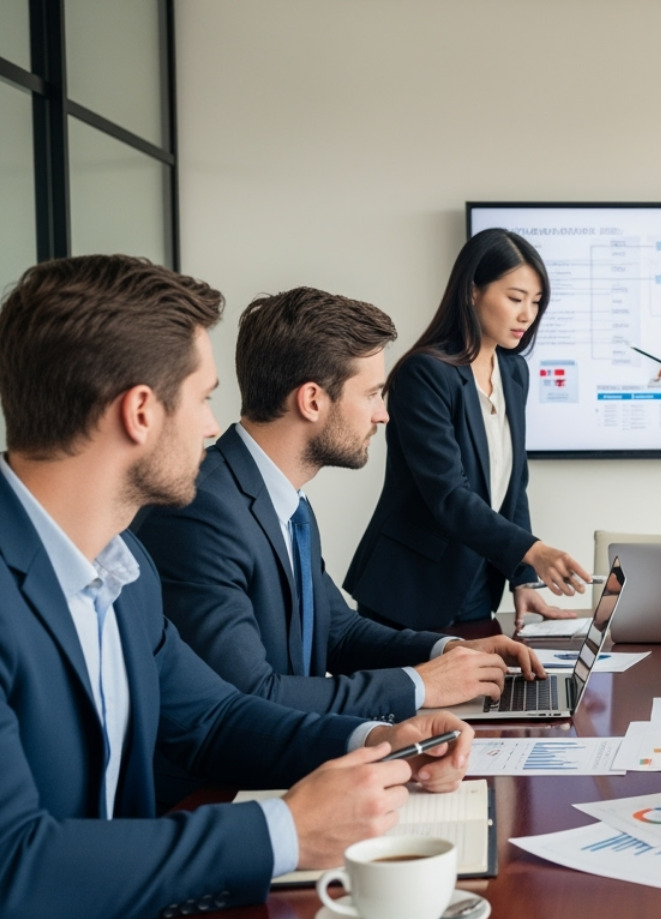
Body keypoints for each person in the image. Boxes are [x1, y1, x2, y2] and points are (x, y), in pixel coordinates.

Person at [0, 255, 473, 919]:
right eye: (202, 398)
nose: (211, 427)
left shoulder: (122, 567)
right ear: (140, 412)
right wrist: (283, 830)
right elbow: (0, 874)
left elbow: (215, 719)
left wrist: (377, 742)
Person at [134, 287, 542, 800]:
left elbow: (338, 632)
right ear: (312, 400)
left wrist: (451, 652)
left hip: (292, 771)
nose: (383, 414)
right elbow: (250, 694)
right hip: (219, 797)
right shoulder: (202, 512)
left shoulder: (283, 498)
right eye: (372, 394)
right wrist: (421, 684)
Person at [345, 229, 591, 631]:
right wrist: (533, 551)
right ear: (472, 291)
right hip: (410, 589)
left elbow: (514, 485)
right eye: (515, 298)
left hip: (477, 583)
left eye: (536, 302)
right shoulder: (425, 373)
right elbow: (448, 494)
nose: (527, 315)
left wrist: (523, 578)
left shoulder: (514, 371)